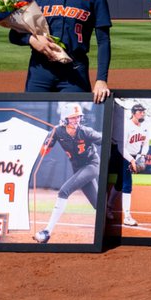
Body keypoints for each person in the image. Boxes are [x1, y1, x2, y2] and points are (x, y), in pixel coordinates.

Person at [10, 0, 111, 103]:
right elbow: (14, 34)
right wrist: (33, 41)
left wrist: (101, 79)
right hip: (40, 70)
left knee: (76, 121)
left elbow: (104, 41)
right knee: (36, 121)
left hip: (75, 71)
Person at [34, 104, 103, 243]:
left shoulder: (86, 131)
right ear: (64, 119)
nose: (76, 120)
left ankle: (47, 231)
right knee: (98, 204)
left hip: (92, 165)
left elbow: (104, 140)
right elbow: (43, 152)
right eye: (72, 118)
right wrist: (45, 145)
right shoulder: (57, 131)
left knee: (63, 191)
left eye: (78, 117)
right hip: (78, 168)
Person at [107, 103, 151, 227]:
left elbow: (146, 144)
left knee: (120, 182)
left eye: (143, 111)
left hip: (134, 155)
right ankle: (127, 217)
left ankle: (108, 206)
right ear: (133, 113)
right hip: (122, 155)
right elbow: (121, 147)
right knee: (127, 184)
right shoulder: (126, 126)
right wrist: (132, 160)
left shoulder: (145, 127)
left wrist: (142, 155)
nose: (142, 113)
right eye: (140, 111)